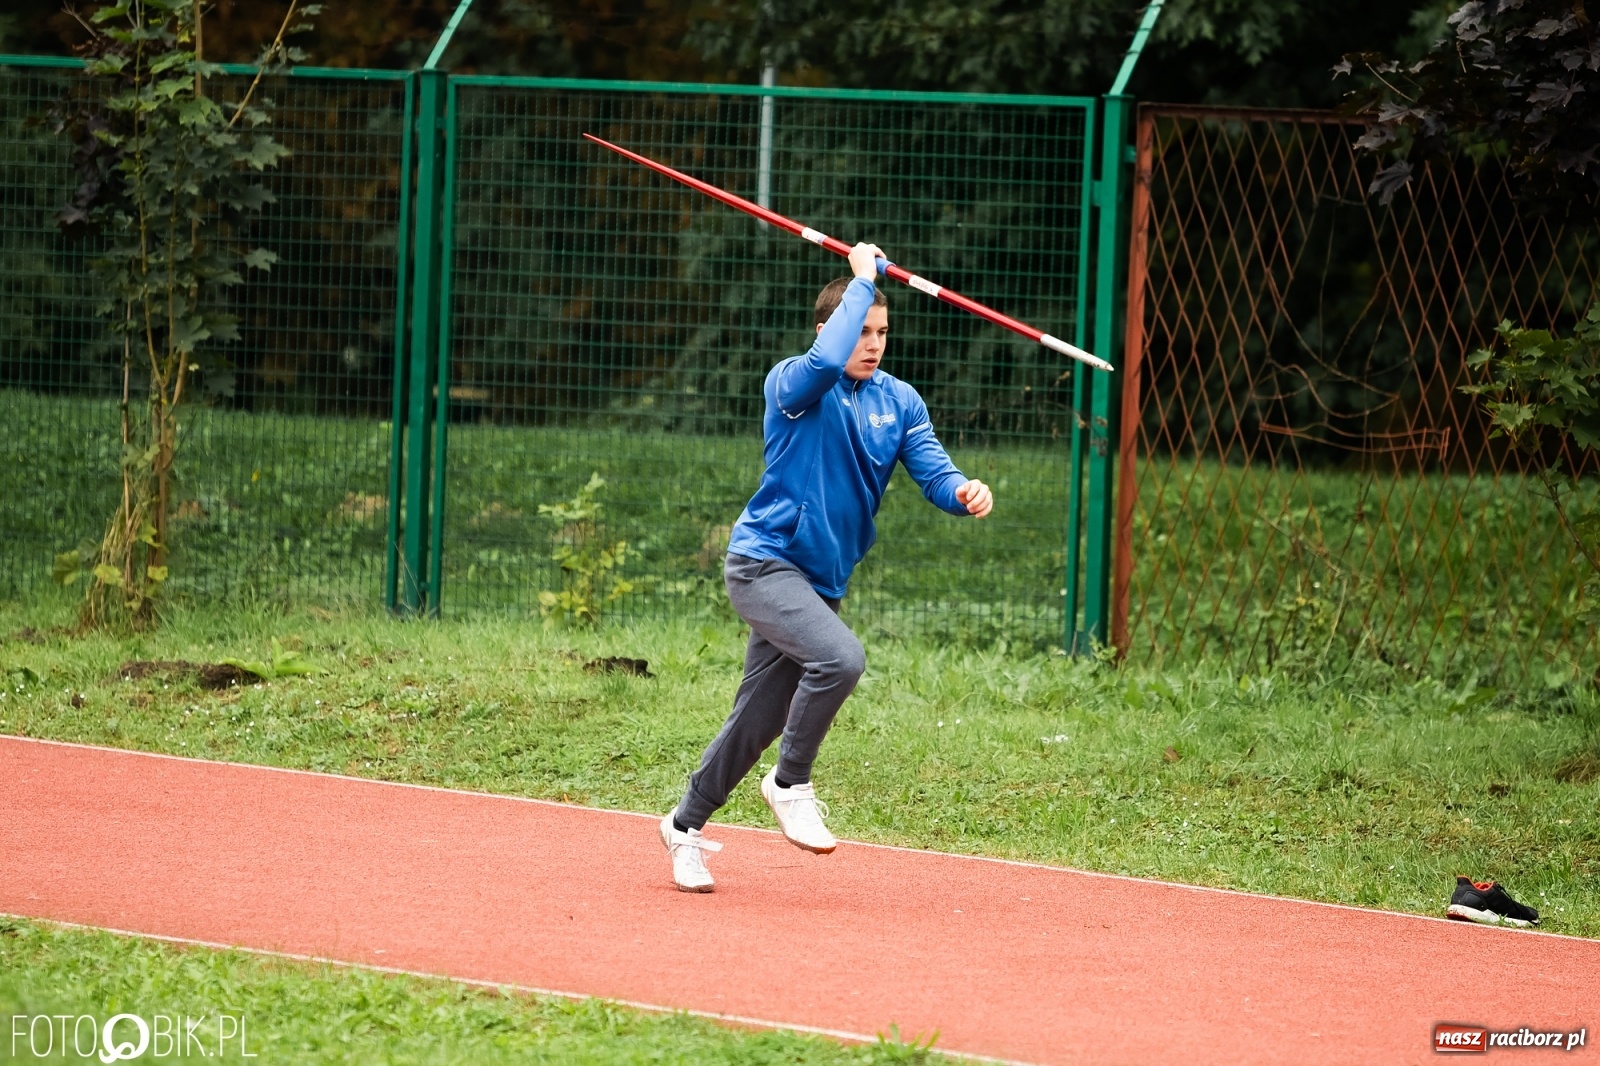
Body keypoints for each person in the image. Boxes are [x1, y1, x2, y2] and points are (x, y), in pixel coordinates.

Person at [659, 242, 994, 892]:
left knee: (755, 720)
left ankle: (684, 824)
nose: (872, 343)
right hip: (763, 564)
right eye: (861, 329)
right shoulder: (793, 385)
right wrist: (863, 280)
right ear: (830, 329)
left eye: (881, 333)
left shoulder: (900, 403)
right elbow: (822, 363)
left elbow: (934, 471)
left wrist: (962, 492)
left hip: (820, 583)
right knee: (841, 659)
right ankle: (790, 784)